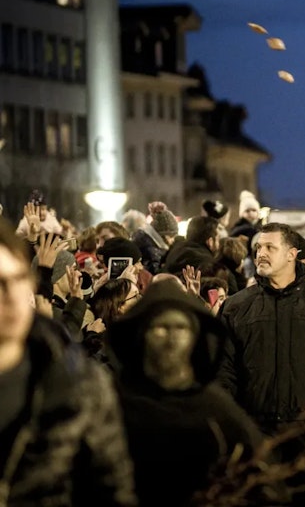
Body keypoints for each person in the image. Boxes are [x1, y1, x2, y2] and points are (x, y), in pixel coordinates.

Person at [218, 222, 305, 506]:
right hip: (258, 432)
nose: (261, 254)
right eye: (258, 247)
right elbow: (224, 372)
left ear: (292, 254)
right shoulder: (236, 306)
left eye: (270, 247)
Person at [0, 217, 137, 506]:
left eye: (19, 279)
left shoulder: (80, 382)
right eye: (0, 283)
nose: (11, 296)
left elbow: (111, 488)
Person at [107, 280, 264, 507]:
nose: (171, 339)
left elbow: (259, 480)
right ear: (142, 335)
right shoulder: (113, 402)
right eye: (161, 328)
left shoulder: (216, 407)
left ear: (195, 336)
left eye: (180, 328)